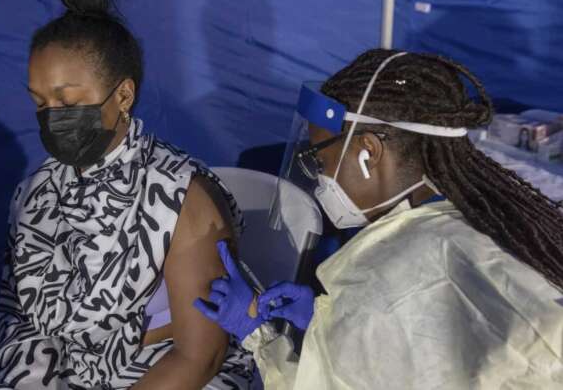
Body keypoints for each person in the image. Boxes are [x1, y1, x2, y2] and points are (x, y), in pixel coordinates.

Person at [195, 49, 563, 389]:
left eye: (319, 162)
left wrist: (258, 334)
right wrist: (331, 327)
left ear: (367, 152)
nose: (317, 178)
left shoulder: (378, 283)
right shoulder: (494, 224)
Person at [0, 0, 254, 390]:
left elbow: (200, 356)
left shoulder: (178, 196)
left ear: (124, 95)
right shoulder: (38, 194)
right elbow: (24, 324)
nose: (50, 117)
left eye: (67, 102)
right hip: (73, 369)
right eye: (40, 103)